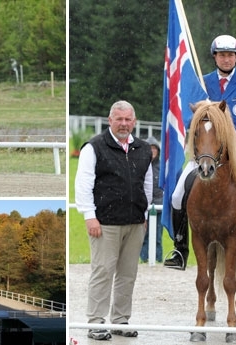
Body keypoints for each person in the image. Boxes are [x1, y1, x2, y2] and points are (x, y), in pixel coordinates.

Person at [164, 34, 236, 272]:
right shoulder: (201, 85)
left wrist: (230, 143)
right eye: (222, 55)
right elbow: (191, 120)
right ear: (215, 57)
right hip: (206, 153)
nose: (226, 59)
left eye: (231, 55)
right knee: (176, 195)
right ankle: (179, 248)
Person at [75, 100, 152, 340]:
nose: (123, 124)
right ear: (110, 120)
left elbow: (146, 185)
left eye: (128, 119)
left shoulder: (143, 149)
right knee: (103, 272)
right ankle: (96, 322)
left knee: (128, 274)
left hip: (134, 223)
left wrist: (145, 214)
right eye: (119, 119)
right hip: (104, 223)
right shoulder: (94, 147)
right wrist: (90, 216)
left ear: (134, 122)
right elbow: (83, 184)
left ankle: (120, 320)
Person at [140, 136, 164, 263]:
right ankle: (144, 259)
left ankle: (158, 258)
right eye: (150, 149)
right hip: (144, 205)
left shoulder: (162, 167)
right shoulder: (141, 165)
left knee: (157, 236)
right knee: (144, 235)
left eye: (155, 149)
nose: (153, 151)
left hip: (159, 206)